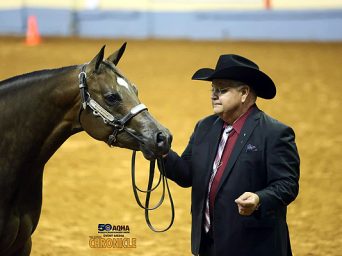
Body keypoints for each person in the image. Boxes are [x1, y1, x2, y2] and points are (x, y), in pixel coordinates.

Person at [163, 54, 300, 256]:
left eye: (222, 90)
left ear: (244, 93)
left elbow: (287, 184)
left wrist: (259, 198)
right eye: (213, 89)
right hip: (209, 244)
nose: (213, 95)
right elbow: (187, 175)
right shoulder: (204, 127)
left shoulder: (274, 133)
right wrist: (164, 153)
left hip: (254, 247)